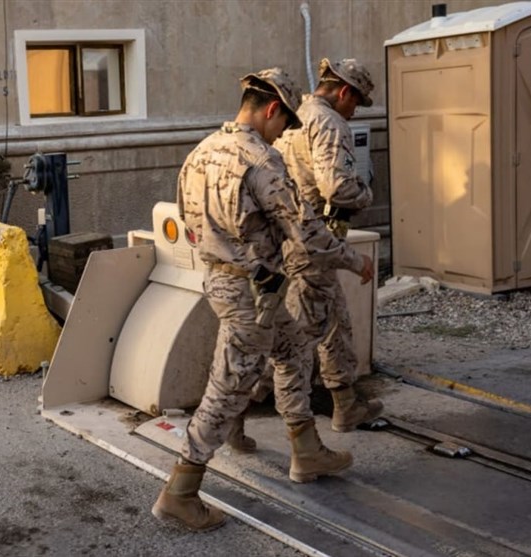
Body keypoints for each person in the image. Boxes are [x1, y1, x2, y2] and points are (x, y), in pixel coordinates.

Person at [152, 68, 374, 531]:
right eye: (285, 124)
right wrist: (354, 261)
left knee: (293, 350)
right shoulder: (261, 161)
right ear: (273, 109)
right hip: (252, 296)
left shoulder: (199, 153)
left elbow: (191, 227)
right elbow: (307, 234)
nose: (285, 133)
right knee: (225, 389)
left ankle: (306, 449)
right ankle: (180, 492)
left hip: (222, 282)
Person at [270, 58, 383, 433]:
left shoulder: (296, 115)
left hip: (293, 237)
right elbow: (337, 186)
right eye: (357, 102)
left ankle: (345, 403)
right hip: (316, 238)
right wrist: (365, 193)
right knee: (301, 333)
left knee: (336, 321)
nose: (354, 112)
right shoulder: (330, 122)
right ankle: (255, 409)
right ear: (344, 91)